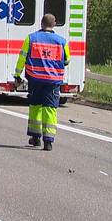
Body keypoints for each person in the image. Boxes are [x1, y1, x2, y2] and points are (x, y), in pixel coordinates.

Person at [14, 13, 70, 151]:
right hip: (53, 82)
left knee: (35, 107)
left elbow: (22, 58)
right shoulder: (62, 42)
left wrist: (17, 75)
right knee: (50, 110)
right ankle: (48, 141)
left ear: (41, 23)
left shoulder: (31, 38)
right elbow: (67, 60)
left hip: (35, 80)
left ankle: (35, 137)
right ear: (54, 24)